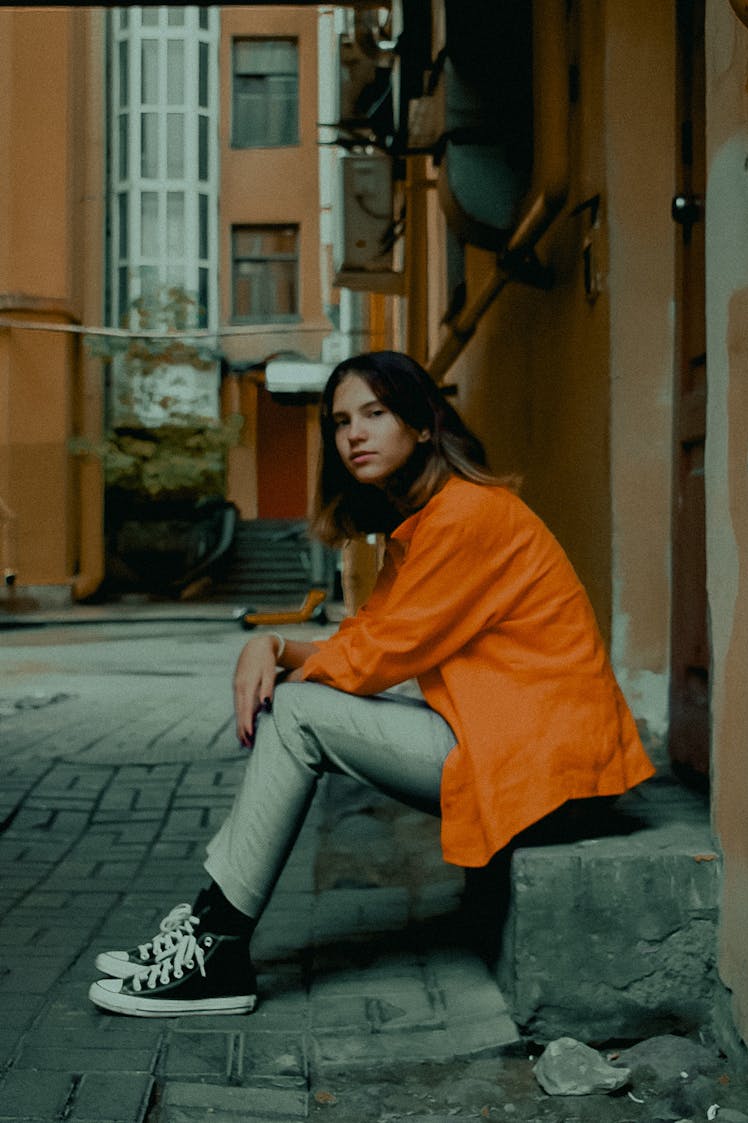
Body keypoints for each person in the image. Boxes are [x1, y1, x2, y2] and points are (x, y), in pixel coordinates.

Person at [88, 350, 655, 1017]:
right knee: (297, 702)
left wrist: (274, 651)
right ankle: (211, 926)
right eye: (339, 421)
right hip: (516, 748)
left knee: (296, 712)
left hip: (552, 773)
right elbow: (369, 633)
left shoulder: (469, 515)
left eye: (375, 413)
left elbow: (375, 656)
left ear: (421, 424)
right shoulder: (422, 524)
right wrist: (269, 643)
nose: (354, 433)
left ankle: (217, 947)